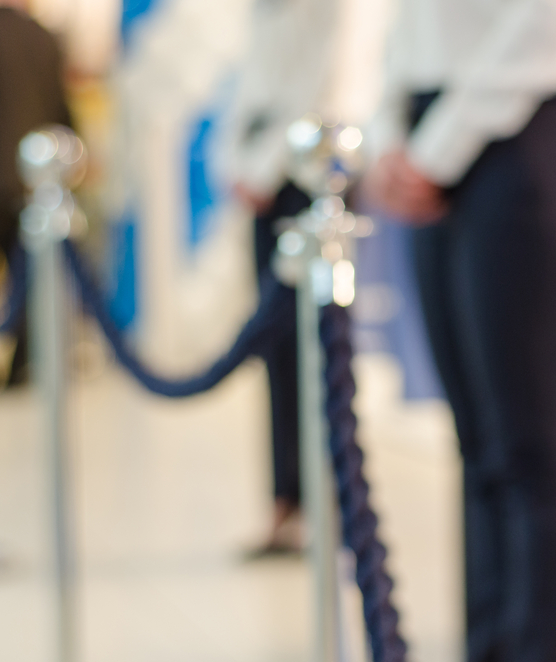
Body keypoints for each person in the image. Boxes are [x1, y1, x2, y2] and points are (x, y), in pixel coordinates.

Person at [360, 1, 556, 658]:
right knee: (478, 444)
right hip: (434, 126)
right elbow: (406, 32)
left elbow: (542, 26)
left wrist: (431, 152)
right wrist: (391, 139)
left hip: (520, 130)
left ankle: (550, 645)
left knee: (529, 445)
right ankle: (492, 643)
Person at [219, 0, 338, 554]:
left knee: (315, 347)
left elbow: (323, 78)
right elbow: (248, 86)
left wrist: (265, 168)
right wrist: (235, 168)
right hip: (261, 183)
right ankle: (283, 501)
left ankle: (323, 501)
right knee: (274, 347)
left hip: (303, 176)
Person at [0, 0, 71, 386]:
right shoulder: (44, 39)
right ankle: (22, 366)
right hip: (32, 181)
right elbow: (61, 111)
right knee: (30, 276)